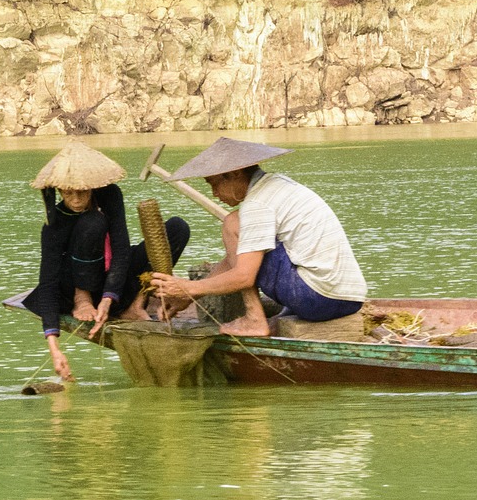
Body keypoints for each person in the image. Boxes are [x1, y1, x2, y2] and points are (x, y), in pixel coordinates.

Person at [150, 137, 367, 336]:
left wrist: (187, 287)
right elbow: (235, 258)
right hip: (349, 298)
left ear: (235, 174)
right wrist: (189, 297)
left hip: (318, 298)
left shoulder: (257, 204)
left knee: (232, 222)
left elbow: (244, 275)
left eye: (214, 184)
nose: (215, 194)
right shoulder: (277, 184)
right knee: (246, 246)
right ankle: (265, 317)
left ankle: (254, 319)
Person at [22, 140, 190, 380]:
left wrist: (108, 299)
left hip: (112, 276)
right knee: (93, 222)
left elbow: (121, 249)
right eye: (68, 192)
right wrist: (55, 349)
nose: (77, 199)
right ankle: (84, 299)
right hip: (75, 284)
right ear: (59, 190)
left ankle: (135, 305)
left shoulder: (110, 195)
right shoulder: (54, 224)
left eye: (83, 191)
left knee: (177, 228)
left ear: (93, 186)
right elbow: (48, 282)